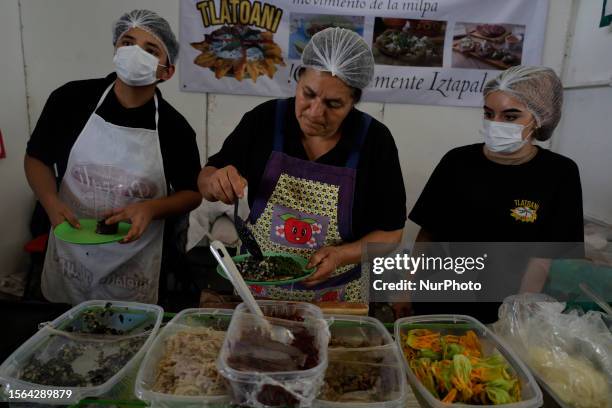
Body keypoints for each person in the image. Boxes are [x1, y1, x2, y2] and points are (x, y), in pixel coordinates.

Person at [198, 27, 406, 302]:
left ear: (354, 101)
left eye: (334, 104)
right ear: (298, 79)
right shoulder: (265, 120)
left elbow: (391, 234)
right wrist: (215, 183)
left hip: (338, 297)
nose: (315, 112)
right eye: (308, 94)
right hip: (259, 293)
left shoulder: (374, 142)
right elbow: (206, 178)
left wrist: (342, 254)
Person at [24, 10, 202, 304]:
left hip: (134, 262)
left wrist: (152, 209)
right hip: (71, 252)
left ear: (166, 71)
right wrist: (50, 200)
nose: (135, 53)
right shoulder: (70, 100)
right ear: (116, 50)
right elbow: (36, 158)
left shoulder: (175, 129)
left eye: (150, 49)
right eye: (128, 42)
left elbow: (191, 193)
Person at [406, 66, 584, 321]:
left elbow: (543, 257)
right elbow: (427, 235)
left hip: (505, 307)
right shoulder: (457, 161)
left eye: (510, 117)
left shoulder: (559, 173)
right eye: (489, 114)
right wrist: (406, 287)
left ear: (539, 118)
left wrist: (517, 314)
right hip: (439, 299)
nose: (495, 124)